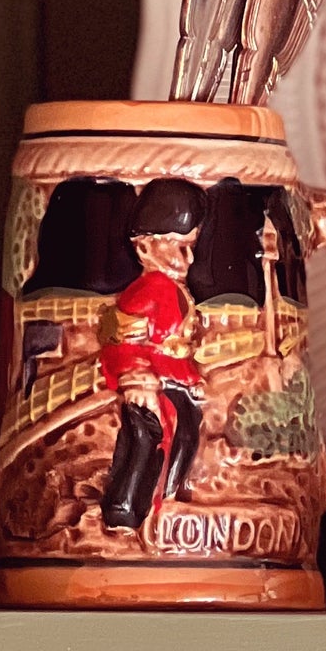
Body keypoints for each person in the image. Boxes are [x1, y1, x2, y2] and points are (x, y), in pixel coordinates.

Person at [98, 178, 208, 532]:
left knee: (186, 437)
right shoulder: (143, 293)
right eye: (180, 247)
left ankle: (170, 496)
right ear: (145, 248)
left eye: (192, 247)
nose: (189, 259)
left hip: (175, 384)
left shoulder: (174, 289)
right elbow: (122, 344)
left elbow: (179, 346)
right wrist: (135, 378)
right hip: (149, 386)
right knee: (146, 443)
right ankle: (125, 508)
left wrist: (192, 379)